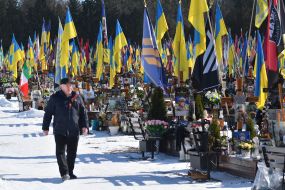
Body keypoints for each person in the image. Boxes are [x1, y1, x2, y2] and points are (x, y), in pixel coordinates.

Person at [42, 78, 89, 181]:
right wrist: (45, 127)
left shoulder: (77, 97)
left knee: (72, 153)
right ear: (61, 86)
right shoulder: (55, 98)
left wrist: (84, 126)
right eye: (67, 85)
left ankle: (70, 172)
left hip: (74, 130)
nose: (69, 87)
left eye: (71, 85)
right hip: (60, 129)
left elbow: (83, 113)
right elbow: (48, 113)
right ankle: (64, 173)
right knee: (60, 152)